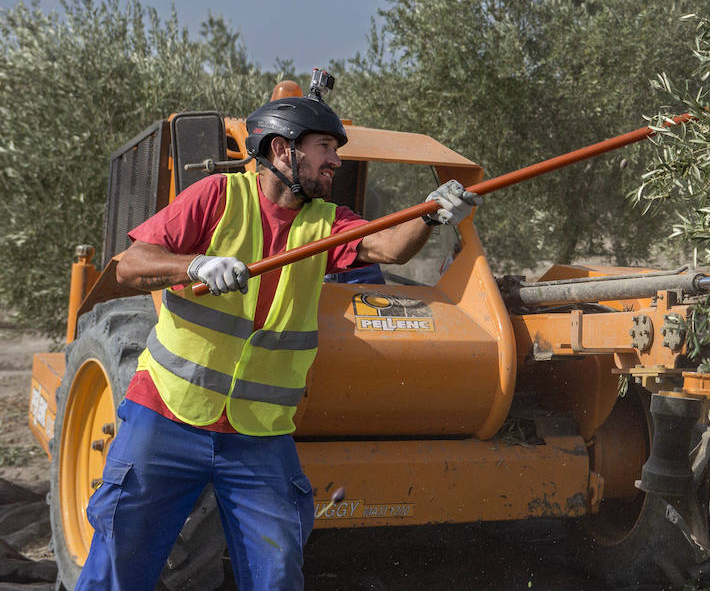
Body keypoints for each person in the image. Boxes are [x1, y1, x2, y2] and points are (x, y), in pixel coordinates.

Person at [75, 83, 479, 591]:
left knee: (278, 574)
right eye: (325, 148)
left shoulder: (329, 222)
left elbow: (390, 248)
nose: (335, 161)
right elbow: (131, 265)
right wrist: (194, 263)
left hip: (258, 437)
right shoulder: (216, 196)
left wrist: (430, 213)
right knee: (119, 563)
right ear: (282, 149)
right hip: (167, 418)